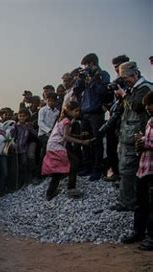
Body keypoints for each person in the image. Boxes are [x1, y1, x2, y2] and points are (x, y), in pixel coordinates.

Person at [111, 62, 153, 212]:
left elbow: (137, 106)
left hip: (137, 136)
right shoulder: (134, 89)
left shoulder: (145, 88)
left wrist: (124, 95)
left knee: (128, 170)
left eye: (125, 78)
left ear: (135, 74)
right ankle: (131, 200)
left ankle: (128, 202)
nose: (124, 81)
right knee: (127, 170)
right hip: (129, 135)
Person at [42, 101, 92, 201]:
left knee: (59, 170)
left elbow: (63, 134)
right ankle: (71, 188)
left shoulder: (62, 119)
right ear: (69, 111)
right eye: (76, 111)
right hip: (57, 147)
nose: (77, 113)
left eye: (78, 111)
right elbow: (66, 137)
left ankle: (50, 192)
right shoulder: (67, 121)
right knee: (75, 162)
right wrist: (82, 142)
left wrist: (79, 136)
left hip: (52, 146)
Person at [75, 53, 111, 181]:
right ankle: (87, 166)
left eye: (86, 65)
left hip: (96, 113)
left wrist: (93, 80)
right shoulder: (85, 77)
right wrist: (80, 79)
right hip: (85, 113)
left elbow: (104, 91)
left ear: (93, 64)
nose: (85, 68)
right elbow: (76, 91)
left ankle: (97, 168)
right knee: (85, 140)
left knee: (97, 142)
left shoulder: (103, 74)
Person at [125, 91, 153, 250]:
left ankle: (151, 236)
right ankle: (139, 232)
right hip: (143, 167)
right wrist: (140, 141)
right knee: (141, 203)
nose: (148, 108)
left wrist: (145, 144)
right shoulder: (149, 121)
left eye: (150, 104)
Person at [37, 92, 60, 167]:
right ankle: (41, 171)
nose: (50, 102)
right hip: (43, 134)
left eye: (53, 101)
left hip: (53, 135)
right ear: (46, 100)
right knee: (45, 150)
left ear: (55, 102)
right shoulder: (42, 110)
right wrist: (49, 130)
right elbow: (40, 123)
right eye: (49, 100)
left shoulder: (57, 112)